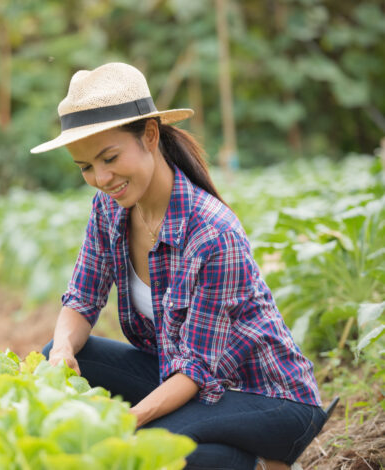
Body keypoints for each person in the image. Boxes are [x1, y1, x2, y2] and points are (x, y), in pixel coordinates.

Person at [31, 63, 326, 470]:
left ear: (149, 136)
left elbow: (195, 371)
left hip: (268, 397)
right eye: (85, 167)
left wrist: (125, 422)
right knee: (57, 356)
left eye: (109, 157)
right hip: (186, 381)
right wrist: (63, 346)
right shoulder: (108, 211)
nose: (101, 178)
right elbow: (81, 300)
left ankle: (255, 452)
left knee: (145, 445)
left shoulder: (212, 232)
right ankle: (241, 460)